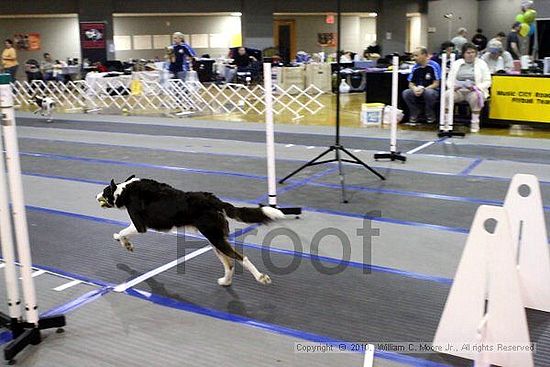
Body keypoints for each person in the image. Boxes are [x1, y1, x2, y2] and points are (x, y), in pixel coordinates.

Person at [445, 43, 491, 133]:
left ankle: (475, 123)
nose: (470, 54)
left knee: (476, 97)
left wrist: (476, 87)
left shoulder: (482, 64)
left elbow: (487, 81)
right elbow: (449, 80)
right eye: (468, 52)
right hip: (458, 90)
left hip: (474, 90)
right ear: (463, 54)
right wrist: (453, 87)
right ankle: (446, 122)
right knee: (447, 95)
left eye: (473, 52)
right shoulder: (456, 63)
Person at [402, 47, 442, 124]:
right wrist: (414, 89)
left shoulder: (434, 65)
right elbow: (410, 84)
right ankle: (415, 112)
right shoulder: (415, 67)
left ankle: (429, 113)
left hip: (432, 89)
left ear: (424, 55)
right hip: (418, 89)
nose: (414, 58)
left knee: (429, 93)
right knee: (406, 93)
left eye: (416, 55)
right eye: (413, 56)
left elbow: (436, 84)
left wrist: (424, 89)